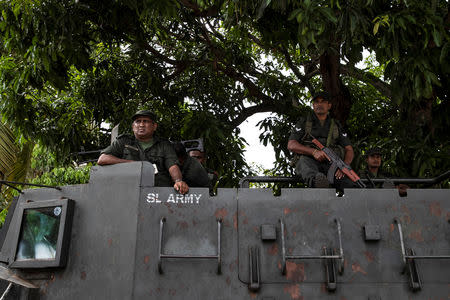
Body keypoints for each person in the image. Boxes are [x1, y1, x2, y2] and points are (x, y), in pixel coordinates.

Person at [97, 110, 189, 194]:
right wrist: (133, 164)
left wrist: (178, 181)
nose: (141, 125)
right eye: (138, 121)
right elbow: (103, 159)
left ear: (154, 126)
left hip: (157, 193)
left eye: (145, 121)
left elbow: (172, 165)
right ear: (133, 127)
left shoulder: (163, 145)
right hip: (128, 191)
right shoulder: (124, 142)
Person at [287, 92, 356, 189]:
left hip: (331, 164)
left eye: (323, 102)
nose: (319, 104)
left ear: (329, 105)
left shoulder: (336, 125)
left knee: (350, 184)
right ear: (313, 105)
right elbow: (291, 145)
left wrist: (344, 166)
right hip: (309, 161)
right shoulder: (304, 122)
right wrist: (313, 152)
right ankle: (317, 182)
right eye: (316, 102)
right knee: (305, 164)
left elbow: (349, 149)